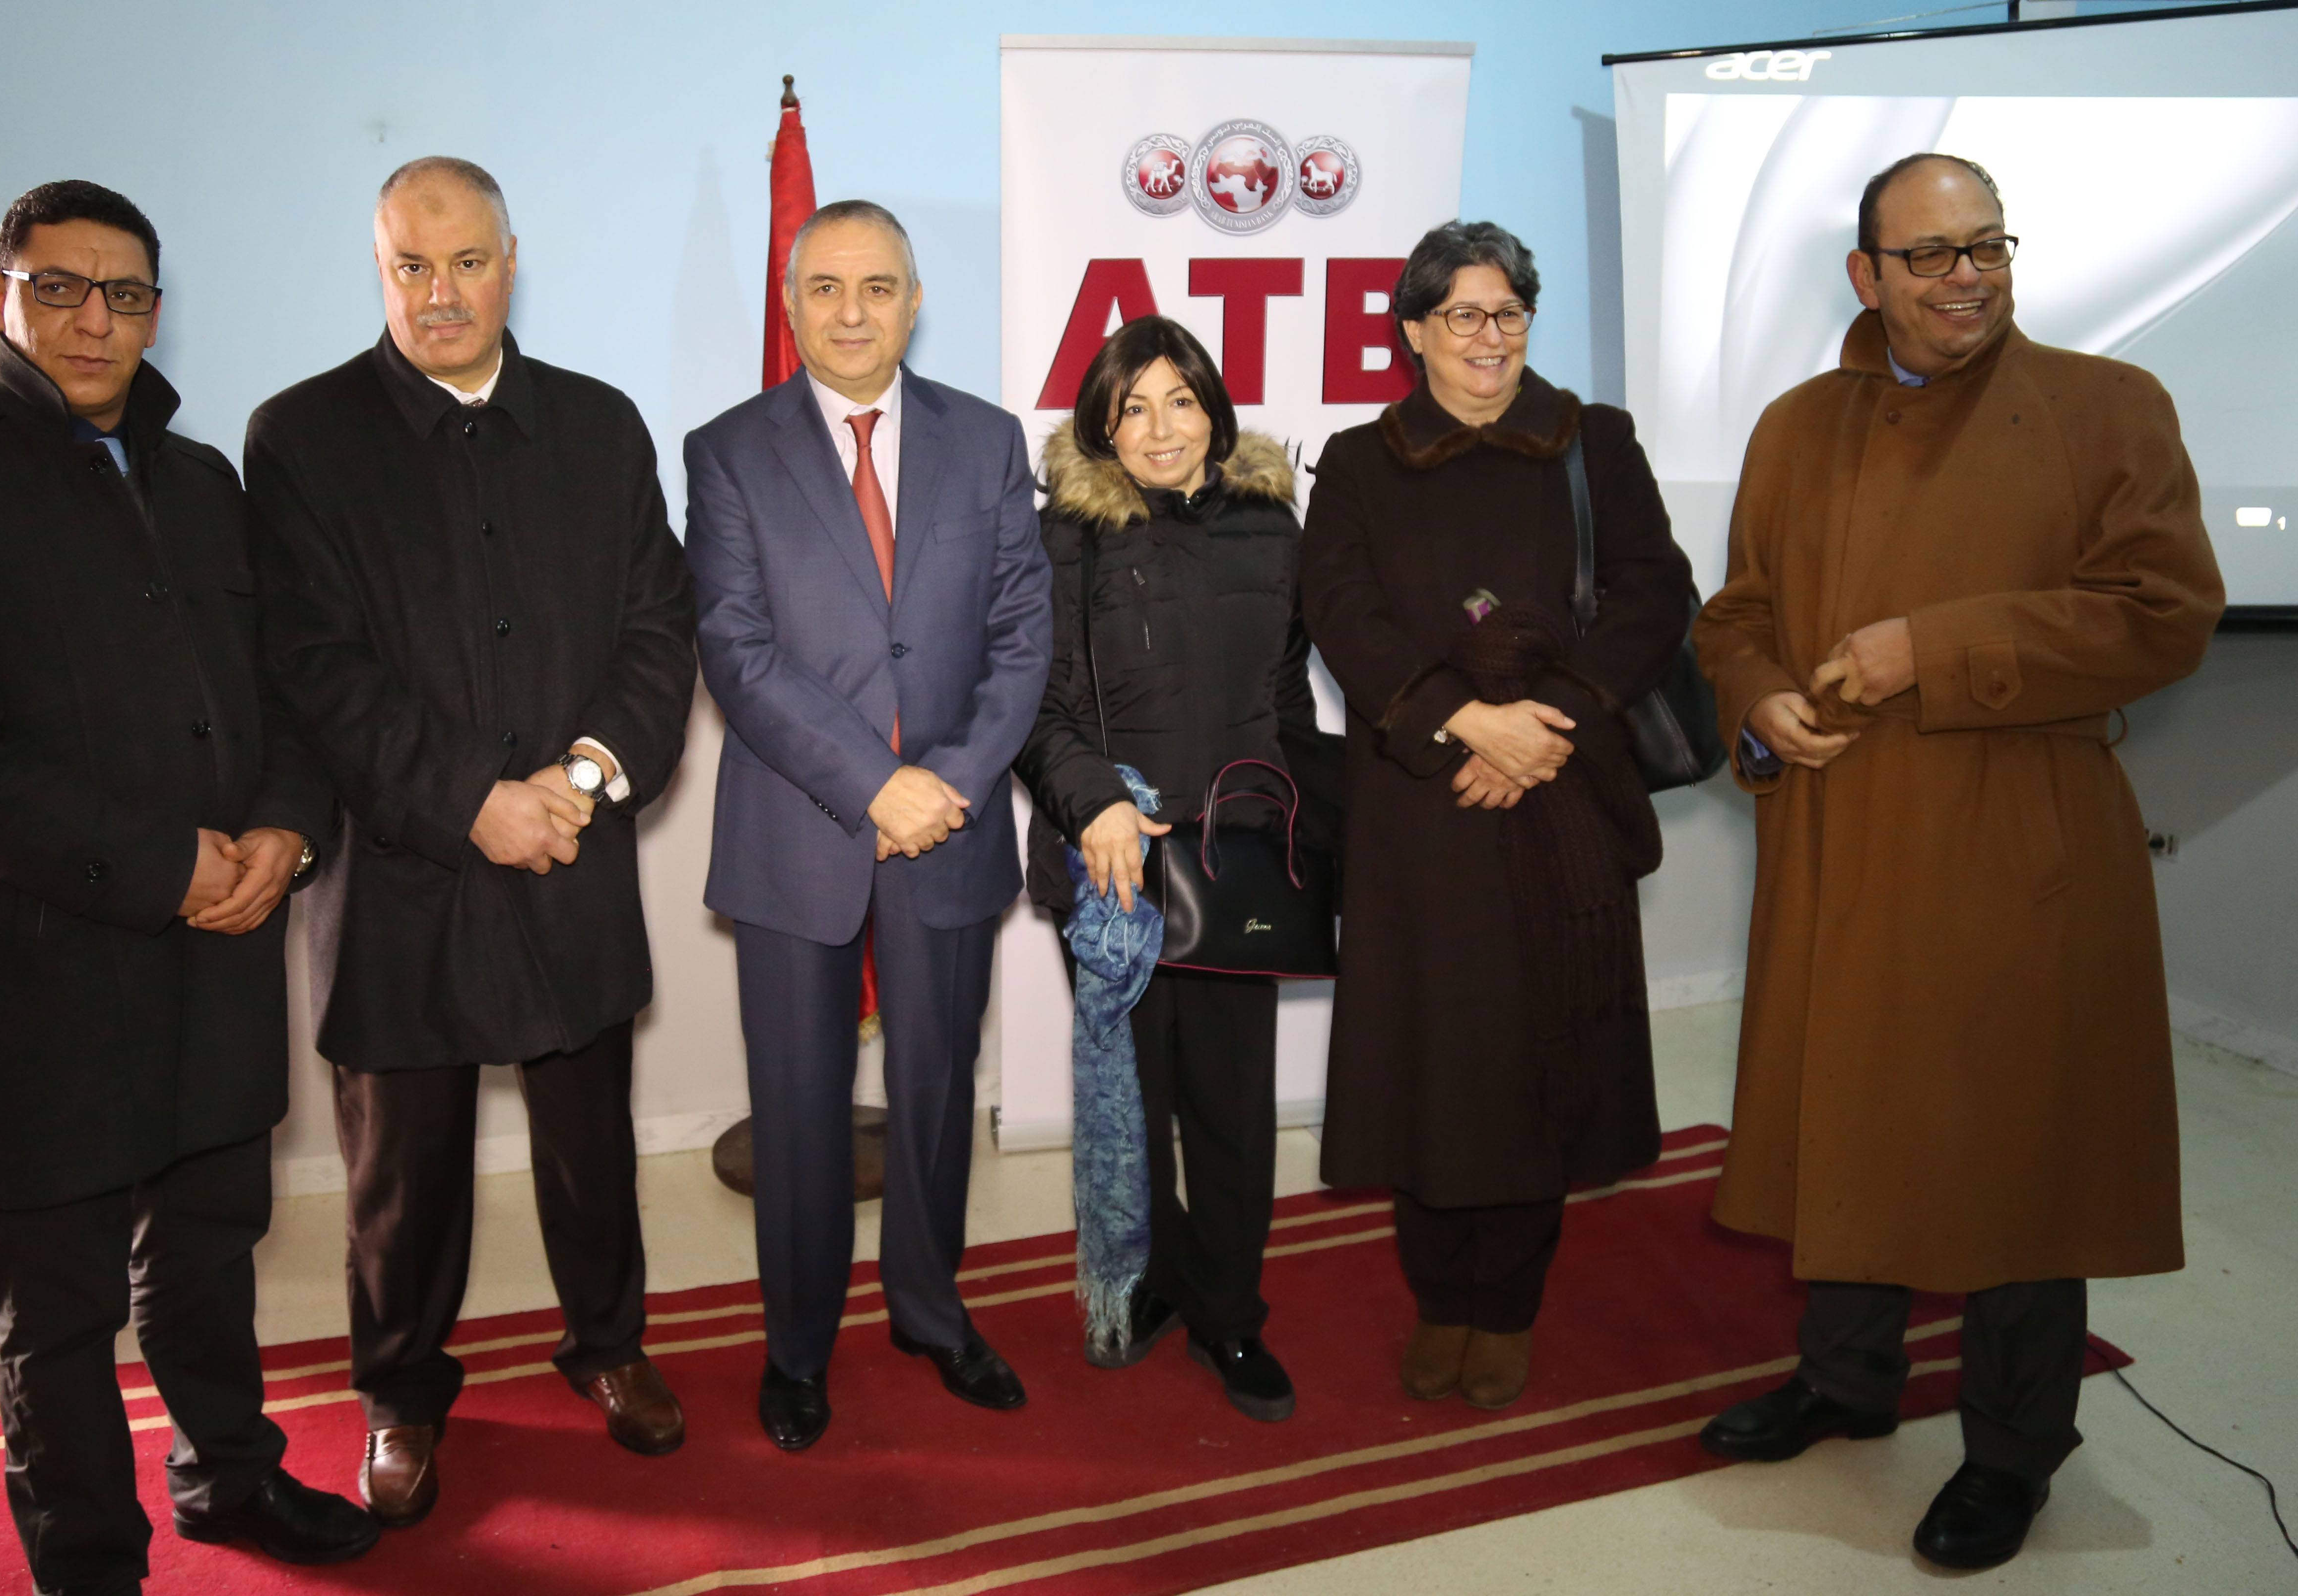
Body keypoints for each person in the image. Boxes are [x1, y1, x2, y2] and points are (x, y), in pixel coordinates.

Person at [0, 180, 372, 1595]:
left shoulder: (203, 483)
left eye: (123, 294)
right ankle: (88, 1563)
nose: (92, 319)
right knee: (58, 1311)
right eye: (57, 286)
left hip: (221, 945)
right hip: (36, 970)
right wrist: (168, 866)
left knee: (211, 1255)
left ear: (155, 313)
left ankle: (231, 1479)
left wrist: (286, 833)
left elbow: (283, 697)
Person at [1690, 153, 2223, 1571]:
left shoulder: (2108, 407)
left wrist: (1933, 648)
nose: (1965, 276)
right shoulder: (1797, 426)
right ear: (1866, 275)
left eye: (1986, 245)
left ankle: (2014, 1451)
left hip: (2016, 840)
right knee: (1845, 1116)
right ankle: (1847, 1382)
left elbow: (2164, 615)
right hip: (1838, 838)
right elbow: (1737, 614)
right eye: (1928, 254)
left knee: (2016, 1156)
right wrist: (1759, 698)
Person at [243, 158, 699, 1526]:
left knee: (591, 1148)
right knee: (403, 1174)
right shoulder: (303, 436)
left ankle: (609, 1348)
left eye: (466, 262)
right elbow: (315, 668)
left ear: (511, 262)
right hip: (402, 875)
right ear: (379, 270)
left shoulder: (601, 426)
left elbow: (658, 631)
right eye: (411, 266)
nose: (440, 293)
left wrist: (580, 778)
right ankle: (400, 1392)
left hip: (573, 848)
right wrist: (473, 800)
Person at [1300, 221, 1693, 1413]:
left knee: (1541, 1058)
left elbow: (1654, 592)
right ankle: (1442, 1298)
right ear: (1414, 332)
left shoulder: (1594, 440)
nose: (1490, 336)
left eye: (1509, 311)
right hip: (1420, 806)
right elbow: (1340, 612)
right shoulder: (1360, 461)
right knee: (1429, 1063)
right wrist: (1465, 722)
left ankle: (1508, 1305)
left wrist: (1546, 729)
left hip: (1559, 797)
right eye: (1463, 315)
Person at [684, 199, 1053, 1451]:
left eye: (879, 287)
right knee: (798, 1108)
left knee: (936, 1092)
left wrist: (944, 782)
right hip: (800, 830)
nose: (853, 313)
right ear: (791, 304)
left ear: (914, 301)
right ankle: (797, 1348)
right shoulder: (728, 452)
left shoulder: (987, 440)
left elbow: (1022, 637)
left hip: (949, 825)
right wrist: (873, 784)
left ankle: (932, 1314)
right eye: (826, 288)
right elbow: (736, 651)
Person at [1012, 316, 1337, 1423]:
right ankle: (1155, 1281)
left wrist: (1304, 828)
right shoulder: (1061, 538)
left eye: (1181, 402)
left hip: (1235, 865)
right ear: (1102, 427)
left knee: (1234, 1113)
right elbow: (1033, 707)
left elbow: (1286, 698)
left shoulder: (1270, 524)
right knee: (1134, 1108)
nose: (1161, 429)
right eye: (1133, 408)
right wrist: (1092, 801)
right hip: (1113, 869)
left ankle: (1231, 1316)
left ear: (1215, 410)